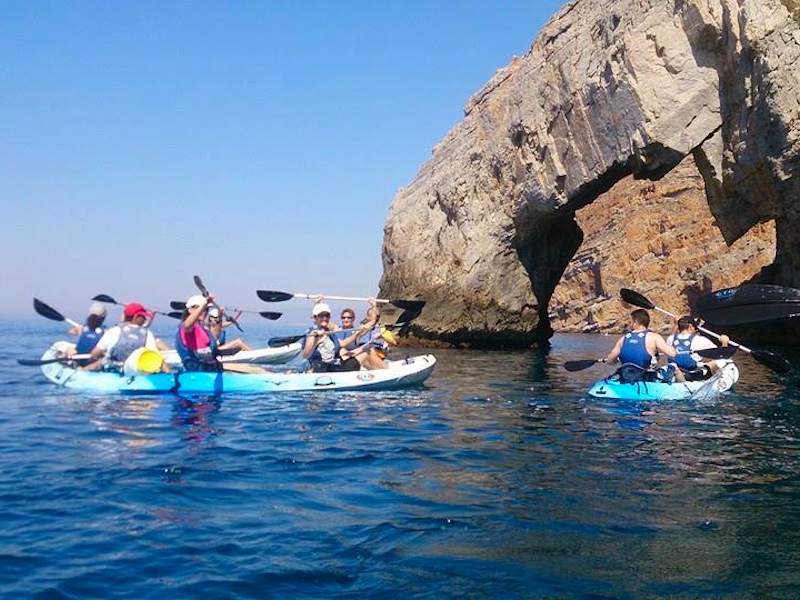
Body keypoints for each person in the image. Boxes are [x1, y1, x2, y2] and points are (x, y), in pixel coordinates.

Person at [176, 295, 265, 374]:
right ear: (190, 309)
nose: (204, 312)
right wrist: (204, 304)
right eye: (201, 309)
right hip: (198, 369)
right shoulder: (187, 326)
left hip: (211, 366)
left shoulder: (203, 328)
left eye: (206, 310)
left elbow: (216, 337)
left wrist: (220, 316)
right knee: (257, 371)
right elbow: (187, 324)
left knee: (256, 369)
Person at [82, 302, 165, 372]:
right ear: (136, 317)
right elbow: (156, 357)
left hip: (113, 369)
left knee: (100, 362)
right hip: (135, 370)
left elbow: (94, 354)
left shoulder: (113, 331)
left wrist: (101, 355)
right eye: (143, 316)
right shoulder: (147, 334)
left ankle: (80, 371)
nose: (145, 319)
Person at [603, 308, 678, 372]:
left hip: (626, 377)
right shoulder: (654, 337)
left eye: (631, 322)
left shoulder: (623, 339)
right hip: (646, 377)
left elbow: (610, 361)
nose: (629, 324)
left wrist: (617, 360)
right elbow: (672, 354)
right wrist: (674, 350)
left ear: (635, 322)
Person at [302, 302, 367, 372]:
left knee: (366, 354)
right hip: (321, 368)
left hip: (334, 364)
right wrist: (315, 340)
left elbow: (341, 344)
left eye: (327, 315)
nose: (324, 318)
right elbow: (306, 355)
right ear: (315, 318)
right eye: (321, 316)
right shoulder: (313, 333)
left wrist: (358, 336)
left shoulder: (329, 331)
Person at [666, 316, 730, 382]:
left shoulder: (670, 339)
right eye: (695, 327)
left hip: (674, 372)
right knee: (715, 362)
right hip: (691, 375)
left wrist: (676, 325)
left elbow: (672, 337)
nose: (696, 330)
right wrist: (724, 343)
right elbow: (722, 355)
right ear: (691, 327)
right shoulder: (700, 340)